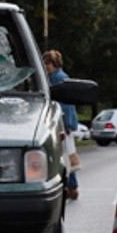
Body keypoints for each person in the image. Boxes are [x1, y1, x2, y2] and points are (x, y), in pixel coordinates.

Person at [42, 49, 81, 200]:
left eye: (47, 64)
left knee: (65, 155)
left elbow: (64, 105)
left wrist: (64, 123)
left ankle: (72, 186)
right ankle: (71, 186)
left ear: (54, 64)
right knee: (66, 155)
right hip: (66, 122)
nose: (45, 67)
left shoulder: (58, 79)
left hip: (63, 122)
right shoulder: (59, 77)